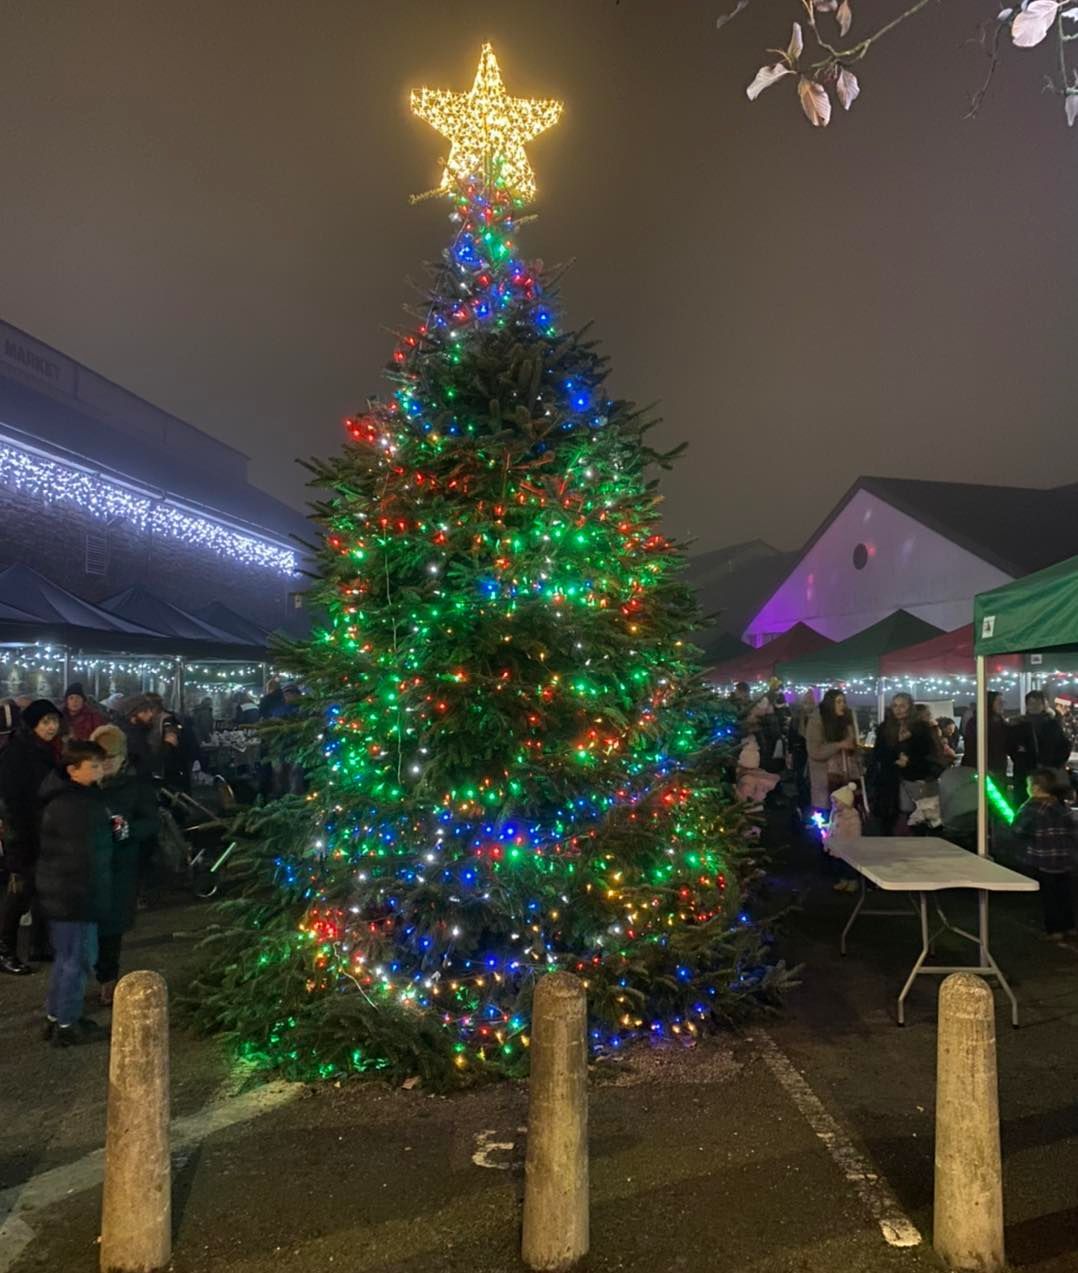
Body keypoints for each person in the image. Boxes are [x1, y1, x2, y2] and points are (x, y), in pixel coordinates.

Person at [36, 739, 111, 1045]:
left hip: (62, 892)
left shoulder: (72, 798)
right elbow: (82, 856)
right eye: (92, 766)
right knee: (78, 960)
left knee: (66, 958)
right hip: (74, 894)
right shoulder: (73, 805)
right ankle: (67, 1025)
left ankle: (56, 1016)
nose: (99, 770)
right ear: (73, 770)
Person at [90, 725, 159, 1003]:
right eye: (100, 759)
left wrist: (128, 829)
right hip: (88, 865)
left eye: (110, 758)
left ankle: (107, 976)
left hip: (120, 866)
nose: (105, 765)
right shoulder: (83, 784)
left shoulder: (136, 785)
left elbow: (151, 822)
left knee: (111, 927)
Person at [0, 699, 62, 974]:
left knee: (41, 890)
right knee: (18, 893)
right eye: (46, 722)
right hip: (22, 832)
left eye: (54, 721)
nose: (51, 727)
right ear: (33, 724)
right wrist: (17, 835)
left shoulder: (46, 751)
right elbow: (11, 799)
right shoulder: (17, 753)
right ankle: (5, 951)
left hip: (43, 829)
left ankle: (40, 944)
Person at [1013, 766, 1076, 941]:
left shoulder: (1031, 808)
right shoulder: (1061, 805)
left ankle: (1054, 929)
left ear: (1035, 788)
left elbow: (1018, 829)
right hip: (1065, 859)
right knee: (1065, 894)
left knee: (1050, 897)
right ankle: (1069, 926)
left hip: (1044, 860)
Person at [1008, 691, 1070, 798]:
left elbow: (1064, 746)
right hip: (1024, 772)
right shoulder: (1019, 724)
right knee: (1023, 800)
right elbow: (1011, 747)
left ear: (1043, 704)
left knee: (1047, 801)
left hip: (1048, 772)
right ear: (1027, 705)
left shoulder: (1052, 724)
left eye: (1037, 703)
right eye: (1031, 703)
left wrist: (1054, 763)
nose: (1034, 706)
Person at [868, 692, 913, 836]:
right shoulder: (885, 728)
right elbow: (878, 754)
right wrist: (895, 755)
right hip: (889, 779)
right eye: (895, 706)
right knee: (889, 819)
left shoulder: (918, 727)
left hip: (911, 778)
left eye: (902, 706)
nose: (898, 709)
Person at [961, 691, 1009, 781]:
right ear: (989, 703)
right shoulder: (977, 722)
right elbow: (971, 746)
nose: (1002, 705)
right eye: (999, 702)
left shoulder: (1000, 721)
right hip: (983, 767)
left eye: (1003, 702)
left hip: (998, 767)